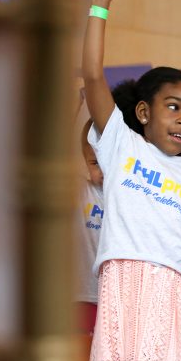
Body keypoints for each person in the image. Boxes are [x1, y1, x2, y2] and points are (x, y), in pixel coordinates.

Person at [82, 0, 181, 361]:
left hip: (176, 294)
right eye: (174, 106)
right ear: (144, 113)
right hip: (124, 282)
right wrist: (100, 6)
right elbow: (93, 76)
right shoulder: (122, 145)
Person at [75, 120, 104, 335]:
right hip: (83, 294)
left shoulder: (133, 196)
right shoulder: (82, 190)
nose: (103, 170)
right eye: (95, 163)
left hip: (118, 298)